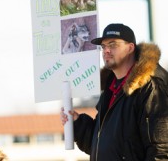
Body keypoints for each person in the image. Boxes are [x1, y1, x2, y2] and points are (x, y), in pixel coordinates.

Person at [61, 23, 168, 160]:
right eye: (103, 47)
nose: (106, 51)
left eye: (113, 45)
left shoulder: (151, 87)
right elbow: (103, 147)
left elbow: (161, 150)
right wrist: (77, 123)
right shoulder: (110, 90)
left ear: (130, 48)